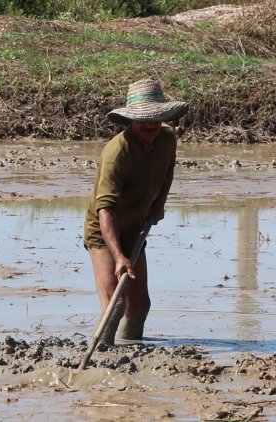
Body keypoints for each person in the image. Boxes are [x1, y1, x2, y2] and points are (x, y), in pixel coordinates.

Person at [83, 79, 189, 345]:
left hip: (136, 226)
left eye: (157, 119)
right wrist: (118, 256)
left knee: (140, 304)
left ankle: (132, 347)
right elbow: (104, 209)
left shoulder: (166, 139)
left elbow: (168, 170)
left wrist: (159, 203)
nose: (152, 126)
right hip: (105, 231)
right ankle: (103, 354)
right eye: (145, 121)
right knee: (115, 304)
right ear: (130, 121)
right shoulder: (116, 153)